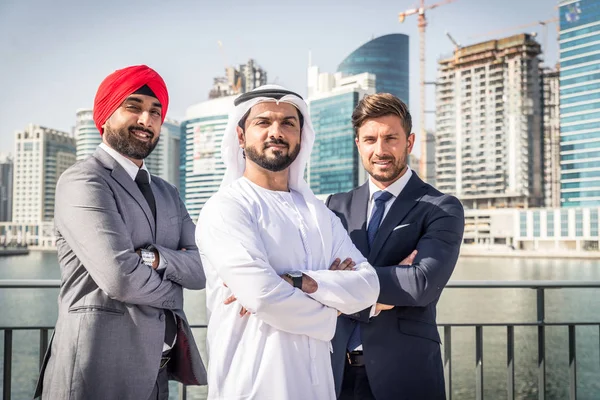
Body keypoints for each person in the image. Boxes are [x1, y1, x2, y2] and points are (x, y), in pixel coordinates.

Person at [196, 85, 382, 400]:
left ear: (300, 136)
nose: (276, 132)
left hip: (318, 385)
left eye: (288, 123)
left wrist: (299, 281)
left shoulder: (319, 214)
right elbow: (263, 296)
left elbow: (368, 286)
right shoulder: (227, 207)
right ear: (240, 136)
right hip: (252, 384)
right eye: (263, 122)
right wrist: (333, 306)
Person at [34, 65, 207, 400]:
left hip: (158, 375)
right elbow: (120, 278)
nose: (147, 120)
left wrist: (153, 258)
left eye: (155, 112)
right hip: (96, 371)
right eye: (134, 107)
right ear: (105, 115)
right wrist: (176, 289)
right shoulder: (84, 181)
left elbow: (202, 269)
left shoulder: (169, 192)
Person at [327, 93, 465, 400]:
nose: (380, 150)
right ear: (358, 144)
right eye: (370, 139)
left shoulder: (441, 207)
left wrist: (341, 290)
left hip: (406, 376)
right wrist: (381, 291)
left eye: (391, 138)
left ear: (410, 142)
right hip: (335, 374)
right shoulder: (334, 207)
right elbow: (317, 277)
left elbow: (420, 284)